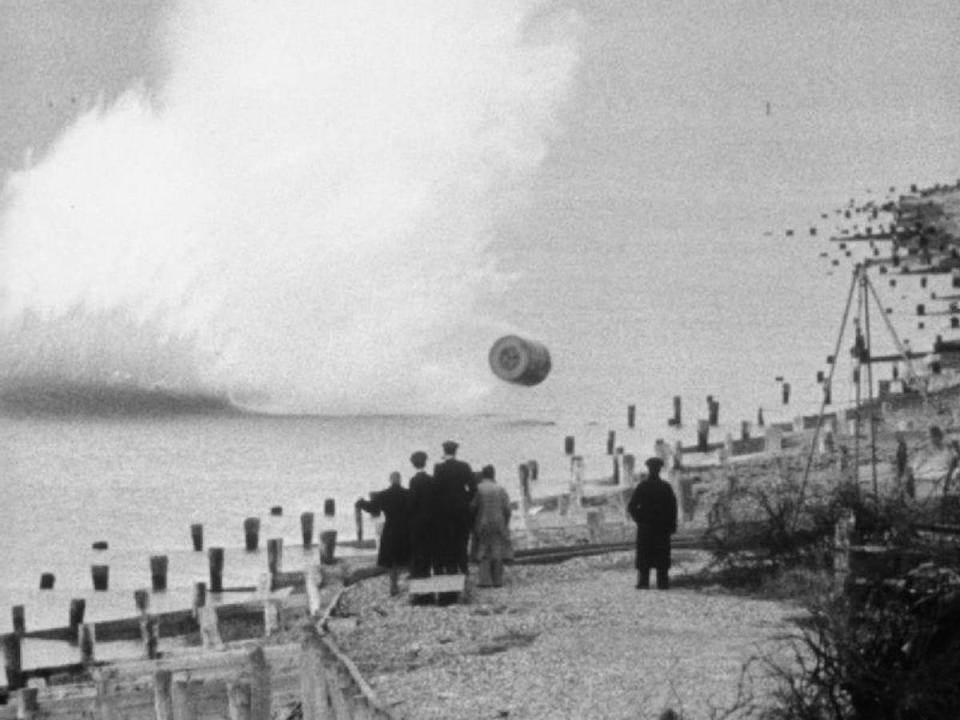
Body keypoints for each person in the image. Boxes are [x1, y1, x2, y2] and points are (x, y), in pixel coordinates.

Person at [355, 471, 410, 595]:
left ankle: (393, 586)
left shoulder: (384, 495)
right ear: (400, 480)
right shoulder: (408, 493)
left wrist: (361, 502)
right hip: (406, 529)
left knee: (392, 560)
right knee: (408, 556)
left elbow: (372, 508)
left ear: (390, 480)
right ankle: (413, 583)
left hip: (391, 528)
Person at [627, 457, 678, 590]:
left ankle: (643, 583)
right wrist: (672, 525)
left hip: (647, 528)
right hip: (661, 528)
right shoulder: (665, 487)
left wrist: (640, 520)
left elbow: (632, 507)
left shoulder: (643, 486)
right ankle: (662, 583)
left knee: (645, 556)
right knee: (661, 557)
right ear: (659, 470)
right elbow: (673, 509)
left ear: (649, 469)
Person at [432, 440, 476, 575]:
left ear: (444, 452)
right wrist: (465, 498)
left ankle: (451, 567)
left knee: (448, 539)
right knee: (462, 538)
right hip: (461, 509)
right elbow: (473, 488)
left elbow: (436, 490)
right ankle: (463, 566)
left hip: (445, 511)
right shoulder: (464, 466)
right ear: (455, 452)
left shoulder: (438, 468)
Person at [469, 465, 512, 588]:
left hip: (482, 522)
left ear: (483, 475)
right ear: (494, 474)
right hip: (499, 522)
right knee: (497, 549)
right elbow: (507, 509)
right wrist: (505, 522)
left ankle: (485, 580)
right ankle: (497, 580)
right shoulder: (501, 489)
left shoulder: (478, 489)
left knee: (483, 550)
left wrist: (472, 523)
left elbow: (472, 507)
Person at [905, 425, 958, 503]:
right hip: (930, 473)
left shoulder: (948, 448)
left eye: (933, 437)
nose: (932, 439)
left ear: (939, 437)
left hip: (943, 473)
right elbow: (919, 459)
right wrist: (913, 468)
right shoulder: (927, 449)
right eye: (931, 437)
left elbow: (954, 460)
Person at [406, 450, 437, 579]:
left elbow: (412, 502)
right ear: (425, 463)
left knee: (417, 547)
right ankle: (427, 570)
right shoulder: (431, 480)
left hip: (417, 520)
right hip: (431, 518)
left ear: (413, 464)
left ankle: (418, 572)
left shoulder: (414, 481)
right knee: (428, 545)